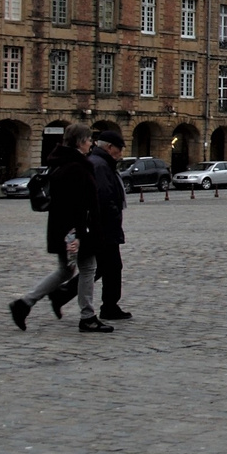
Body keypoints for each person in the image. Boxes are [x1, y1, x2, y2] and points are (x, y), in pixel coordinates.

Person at [8, 123, 110, 333]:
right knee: (88, 269)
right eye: (89, 140)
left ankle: (25, 303)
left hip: (63, 228)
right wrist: (78, 235)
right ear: (81, 142)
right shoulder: (76, 166)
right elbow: (78, 205)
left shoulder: (62, 162)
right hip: (75, 230)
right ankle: (88, 316)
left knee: (65, 270)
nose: (91, 144)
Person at [88, 129, 132, 321]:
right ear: (109, 147)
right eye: (119, 149)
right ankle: (109, 306)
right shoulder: (101, 165)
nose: (121, 154)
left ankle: (61, 295)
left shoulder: (102, 162)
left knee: (102, 267)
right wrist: (114, 214)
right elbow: (104, 195)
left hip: (104, 224)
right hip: (105, 225)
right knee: (111, 266)